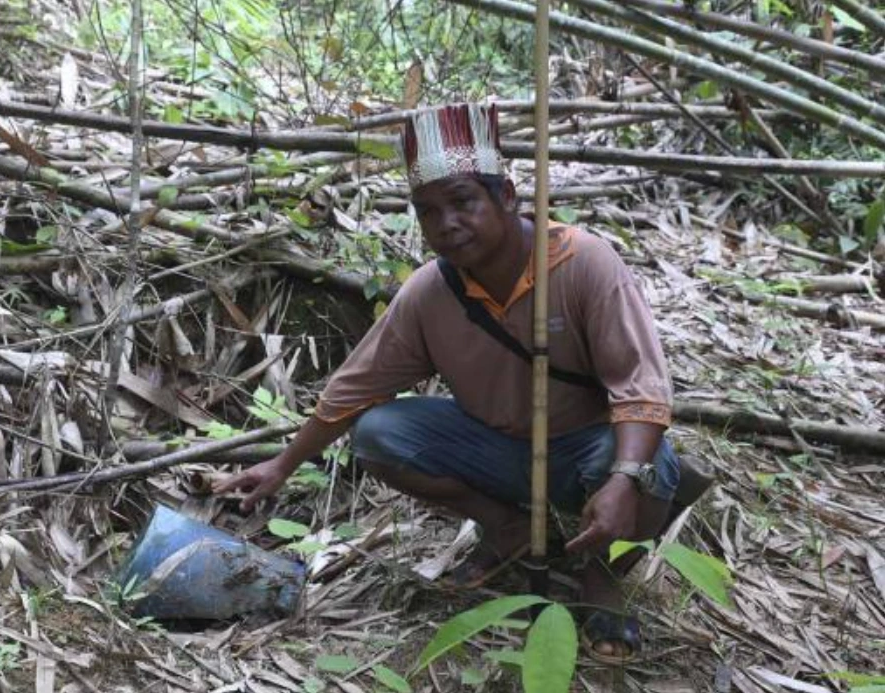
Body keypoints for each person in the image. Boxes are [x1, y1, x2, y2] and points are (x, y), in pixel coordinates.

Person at [217, 103, 703, 662]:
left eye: (463, 202)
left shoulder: (582, 263)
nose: (446, 223)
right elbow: (355, 388)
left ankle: (599, 572)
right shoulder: (432, 291)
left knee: (649, 472)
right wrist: (282, 465)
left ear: (508, 197)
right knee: (379, 434)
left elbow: (641, 385)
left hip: (585, 452)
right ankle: (508, 528)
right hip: (493, 448)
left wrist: (623, 475)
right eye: (428, 212)